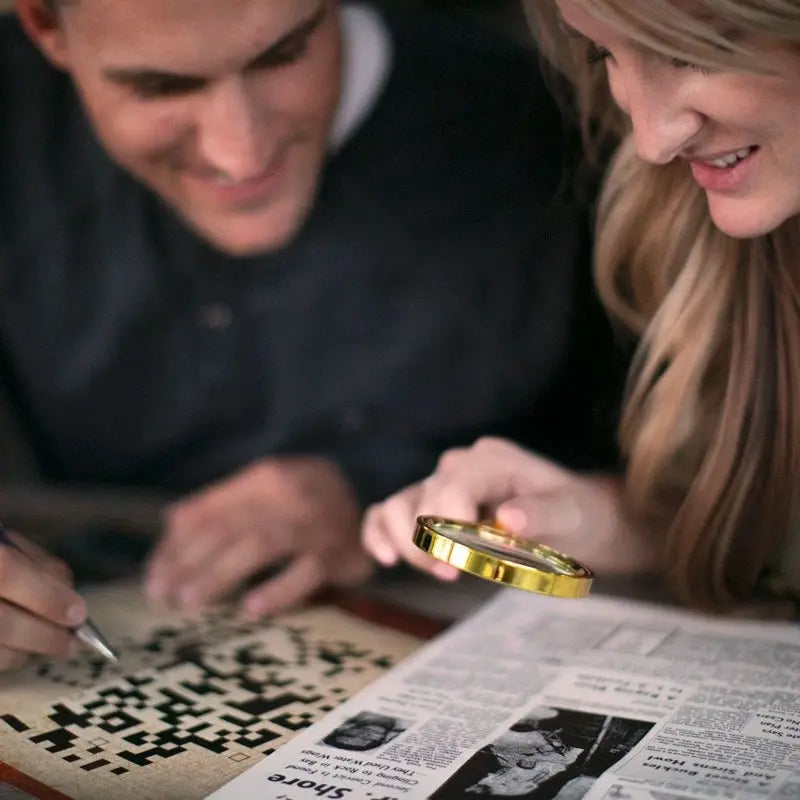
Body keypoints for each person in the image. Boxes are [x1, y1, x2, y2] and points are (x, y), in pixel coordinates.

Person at [0, 0, 617, 672]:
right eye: (160, 87)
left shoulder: (547, 130)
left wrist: (377, 490)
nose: (240, 152)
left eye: (283, 54)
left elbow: (667, 487)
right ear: (45, 28)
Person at [363, 0, 800, 614]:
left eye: (696, 51)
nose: (651, 140)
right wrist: (592, 516)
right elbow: (769, 541)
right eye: (605, 53)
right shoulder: (731, 246)